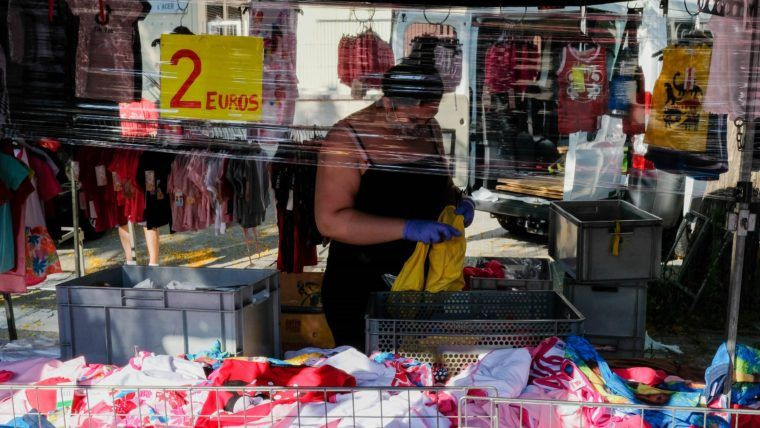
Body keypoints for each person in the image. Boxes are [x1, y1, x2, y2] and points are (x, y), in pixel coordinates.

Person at [315, 63, 475, 349]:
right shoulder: (347, 139)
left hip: (422, 286)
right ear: (388, 103)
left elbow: (440, 185)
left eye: (429, 118)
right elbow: (330, 221)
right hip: (362, 289)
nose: (421, 127)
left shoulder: (430, 130)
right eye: (414, 121)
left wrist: (460, 201)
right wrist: (407, 228)